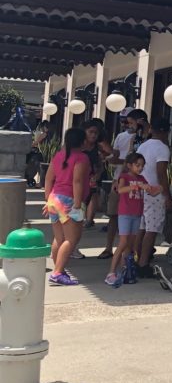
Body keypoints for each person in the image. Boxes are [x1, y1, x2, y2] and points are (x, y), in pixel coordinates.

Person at [43, 128, 89, 286]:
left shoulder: (58, 155)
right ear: (82, 141)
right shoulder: (81, 157)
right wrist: (77, 204)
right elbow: (77, 181)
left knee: (59, 238)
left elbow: (48, 178)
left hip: (54, 199)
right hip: (69, 200)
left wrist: (47, 199)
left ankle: (59, 270)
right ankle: (57, 273)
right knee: (71, 239)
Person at [108, 152, 157, 287]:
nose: (140, 168)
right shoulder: (124, 177)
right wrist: (137, 186)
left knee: (130, 244)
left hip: (137, 214)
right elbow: (120, 190)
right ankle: (111, 272)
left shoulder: (142, 178)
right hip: (125, 213)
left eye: (142, 166)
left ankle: (125, 270)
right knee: (123, 242)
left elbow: (151, 191)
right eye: (137, 165)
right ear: (129, 165)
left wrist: (156, 188)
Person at [99, 109, 139, 258]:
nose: (126, 124)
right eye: (123, 121)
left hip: (133, 181)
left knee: (134, 217)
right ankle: (109, 247)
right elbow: (115, 155)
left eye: (129, 121)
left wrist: (123, 162)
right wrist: (108, 156)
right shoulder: (121, 136)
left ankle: (131, 251)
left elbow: (133, 160)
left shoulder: (140, 138)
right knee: (113, 214)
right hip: (118, 178)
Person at [135, 116, 172, 278]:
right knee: (152, 229)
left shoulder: (143, 145)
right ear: (165, 132)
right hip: (154, 191)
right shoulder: (162, 148)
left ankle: (136, 259)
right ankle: (144, 263)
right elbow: (161, 172)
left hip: (140, 188)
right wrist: (167, 196)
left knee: (142, 227)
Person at [81, 118, 113, 232]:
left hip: (92, 177)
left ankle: (89, 220)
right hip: (79, 176)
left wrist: (98, 173)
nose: (93, 135)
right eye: (91, 132)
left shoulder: (98, 146)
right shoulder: (78, 145)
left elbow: (108, 155)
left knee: (93, 195)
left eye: (96, 133)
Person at [26, 121, 50, 187]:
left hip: (42, 155)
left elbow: (36, 142)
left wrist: (31, 145)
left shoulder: (44, 134)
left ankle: (41, 183)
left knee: (38, 165)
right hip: (43, 154)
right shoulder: (48, 135)